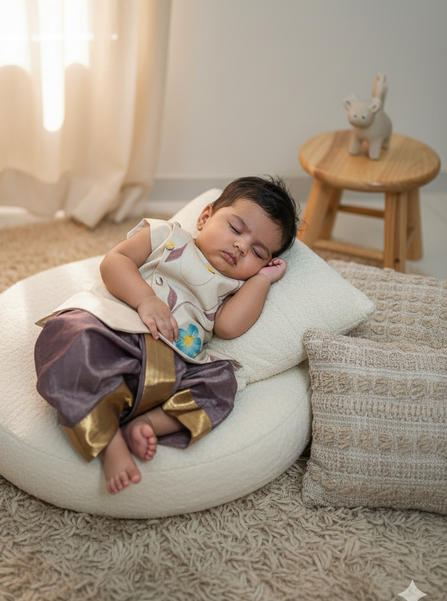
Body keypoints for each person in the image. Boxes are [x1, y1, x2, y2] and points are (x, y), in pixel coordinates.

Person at [34, 176, 299, 495]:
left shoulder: (234, 286)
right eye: (235, 228)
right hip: (114, 331)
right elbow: (114, 262)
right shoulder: (167, 235)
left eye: (257, 251)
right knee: (71, 334)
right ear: (205, 217)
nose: (242, 246)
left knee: (222, 383)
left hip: (173, 364)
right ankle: (109, 441)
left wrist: (262, 280)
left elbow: (229, 327)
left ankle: (148, 424)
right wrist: (146, 300)